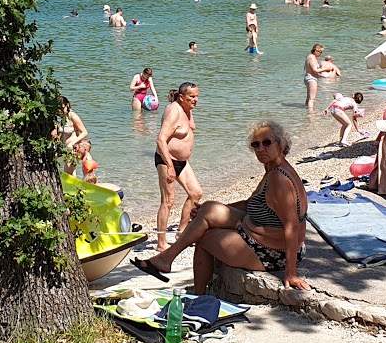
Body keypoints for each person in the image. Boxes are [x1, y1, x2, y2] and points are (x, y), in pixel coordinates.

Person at [132, 120, 309, 294]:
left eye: (267, 143)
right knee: (208, 208)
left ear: (281, 144)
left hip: (273, 252)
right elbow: (250, 204)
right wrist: (209, 211)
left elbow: (292, 226)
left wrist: (290, 273)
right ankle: (167, 260)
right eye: (256, 144)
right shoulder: (273, 170)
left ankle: (196, 295)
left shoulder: (279, 178)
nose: (261, 149)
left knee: (203, 239)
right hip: (258, 233)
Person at [152, 82, 203, 249]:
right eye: (192, 97)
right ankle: (161, 243)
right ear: (182, 98)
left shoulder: (186, 109)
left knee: (196, 193)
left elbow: (189, 128)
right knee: (168, 201)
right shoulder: (173, 112)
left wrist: (189, 107)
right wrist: (170, 167)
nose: (196, 100)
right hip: (168, 160)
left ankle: (182, 231)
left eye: (197, 96)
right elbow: (160, 140)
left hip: (183, 161)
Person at [54, 96, 89, 174]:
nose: (60, 111)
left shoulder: (72, 116)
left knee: (68, 173)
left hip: (72, 149)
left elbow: (84, 132)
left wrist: (72, 143)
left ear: (68, 105)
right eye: (58, 108)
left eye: (62, 108)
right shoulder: (60, 118)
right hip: (62, 149)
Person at [303, 44, 328, 109]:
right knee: (312, 99)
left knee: (308, 98)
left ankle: (306, 111)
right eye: (320, 52)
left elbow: (313, 71)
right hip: (311, 79)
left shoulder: (310, 57)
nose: (321, 54)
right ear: (316, 51)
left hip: (309, 78)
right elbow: (315, 70)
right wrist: (326, 69)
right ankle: (311, 114)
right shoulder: (312, 57)